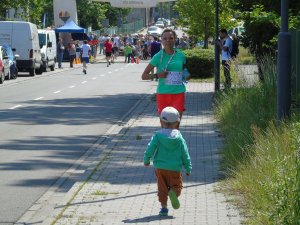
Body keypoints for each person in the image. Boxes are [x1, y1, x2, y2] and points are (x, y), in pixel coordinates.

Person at [144, 106, 192, 216]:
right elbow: (185, 153)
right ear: (177, 123)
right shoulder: (179, 137)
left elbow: (150, 148)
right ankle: (173, 193)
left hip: (160, 168)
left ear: (161, 121)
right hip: (175, 168)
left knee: (162, 188)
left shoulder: (157, 136)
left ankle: (164, 208)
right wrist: (188, 167)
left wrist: (146, 160)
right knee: (177, 187)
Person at [141, 29, 191, 124]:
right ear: (161, 40)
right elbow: (144, 76)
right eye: (165, 38)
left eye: (171, 38)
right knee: (165, 125)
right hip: (163, 93)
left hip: (178, 93)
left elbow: (185, 71)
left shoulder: (181, 55)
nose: (168, 40)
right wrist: (157, 75)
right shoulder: (158, 56)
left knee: (176, 125)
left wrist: (187, 75)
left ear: (175, 39)